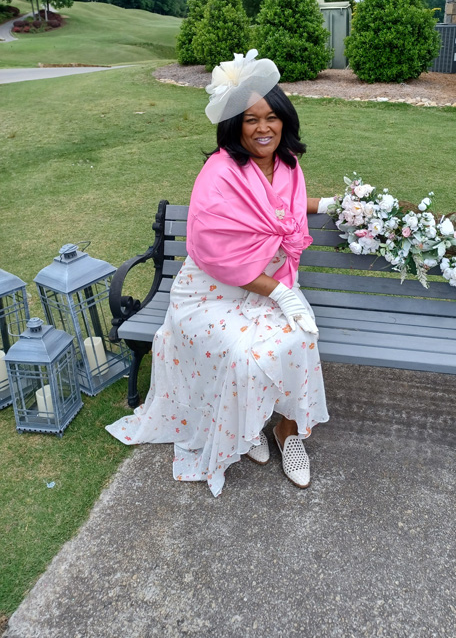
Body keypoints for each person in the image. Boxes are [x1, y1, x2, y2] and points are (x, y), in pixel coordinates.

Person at [106, 50, 333, 497]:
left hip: (271, 285)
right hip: (211, 293)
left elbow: (278, 206)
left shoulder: (287, 163)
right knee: (244, 352)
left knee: (300, 339)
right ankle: (245, 429)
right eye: (251, 120)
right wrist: (280, 294)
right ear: (235, 125)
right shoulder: (219, 173)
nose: (263, 128)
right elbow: (215, 254)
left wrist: (325, 204)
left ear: (285, 120)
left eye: (271, 117)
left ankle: (288, 432)